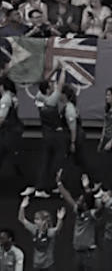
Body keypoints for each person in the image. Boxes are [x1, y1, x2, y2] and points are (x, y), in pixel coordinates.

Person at [22, 70, 66, 198]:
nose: (53, 86)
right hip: (56, 135)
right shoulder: (52, 100)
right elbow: (61, 85)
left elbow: (43, 83)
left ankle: (40, 188)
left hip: (46, 134)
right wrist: (62, 70)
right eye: (50, 86)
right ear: (47, 90)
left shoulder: (38, 98)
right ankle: (58, 185)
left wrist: (53, 69)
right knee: (58, 161)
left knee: (45, 162)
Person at [56, 171, 98, 271]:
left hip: (88, 254)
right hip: (77, 252)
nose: (77, 201)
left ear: (85, 204)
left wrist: (88, 189)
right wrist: (59, 183)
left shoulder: (92, 214)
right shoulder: (77, 211)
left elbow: (97, 205)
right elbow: (67, 196)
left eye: (80, 200)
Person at [17, 197, 63, 271]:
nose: (35, 221)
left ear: (44, 221)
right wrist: (22, 207)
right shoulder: (34, 229)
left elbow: (57, 229)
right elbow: (21, 219)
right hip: (37, 265)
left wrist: (60, 219)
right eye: (35, 219)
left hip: (48, 266)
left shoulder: (49, 232)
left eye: (37, 219)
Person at [0, 78, 23, 178]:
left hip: (8, 131)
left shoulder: (5, 98)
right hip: (13, 130)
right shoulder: (13, 97)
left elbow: (2, 118)